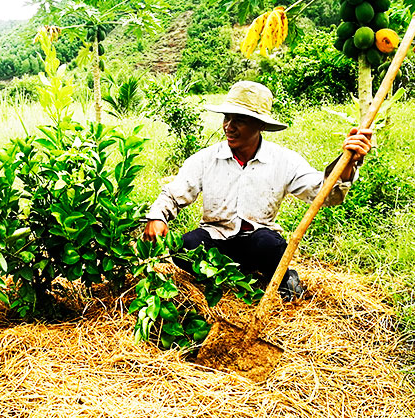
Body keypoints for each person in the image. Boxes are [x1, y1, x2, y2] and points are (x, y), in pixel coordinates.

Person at [143, 80, 372, 298]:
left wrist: (347, 163)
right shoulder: (205, 159)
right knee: (186, 247)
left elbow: (324, 194)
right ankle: (226, 278)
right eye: (227, 118)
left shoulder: (283, 160)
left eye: (239, 121)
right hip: (216, 240)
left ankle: (282, 278)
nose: (229, 127)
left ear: (260, 125)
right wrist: (157, 216)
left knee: (270, 244)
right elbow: (174, 194)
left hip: (257, 243)